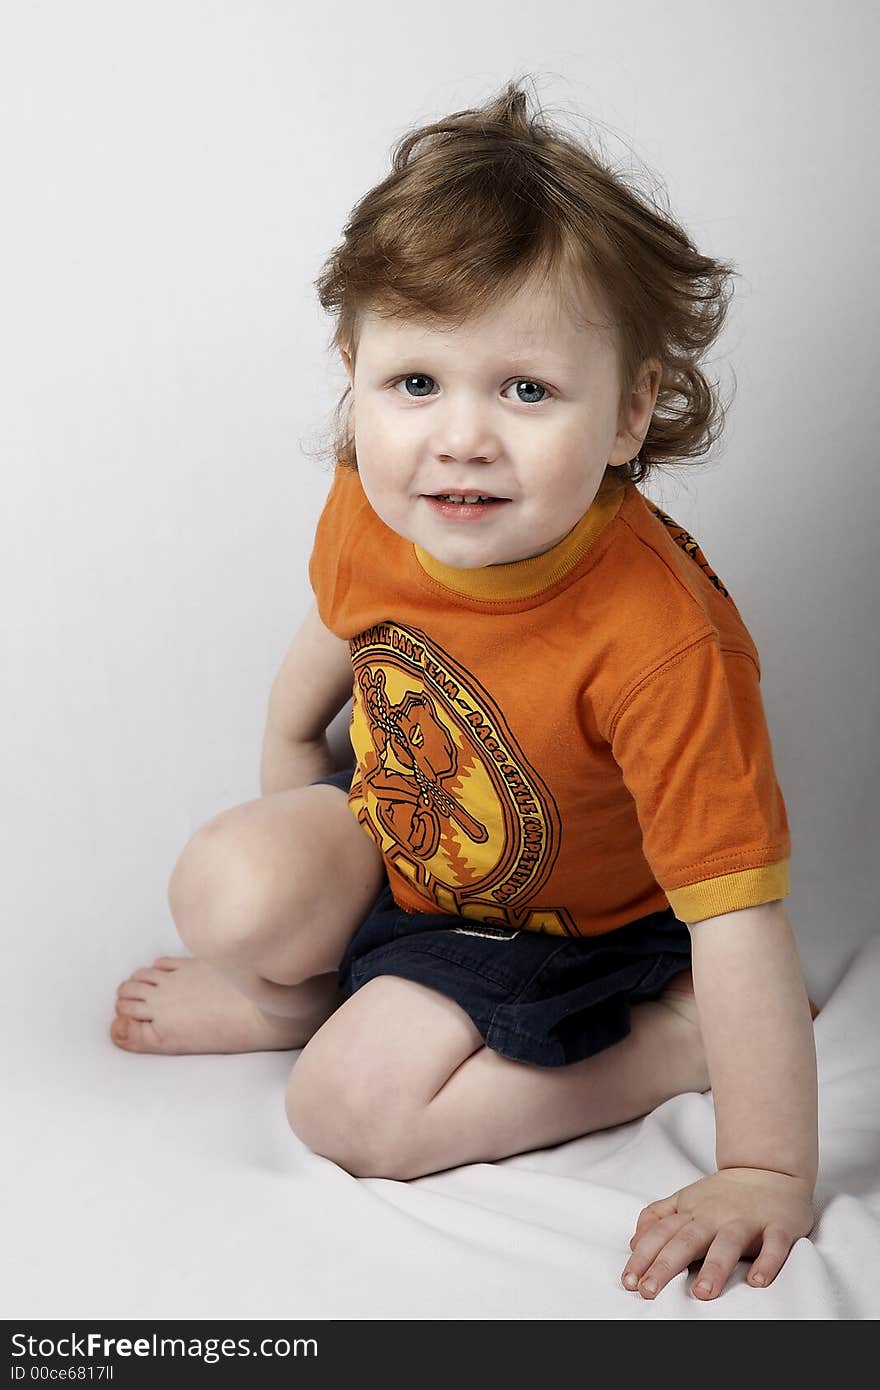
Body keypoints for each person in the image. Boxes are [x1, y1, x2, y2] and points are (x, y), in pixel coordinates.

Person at [110, 77, 819, 1303]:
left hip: (572, 923)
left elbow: (736, 915)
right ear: (355, 371)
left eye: (527, 389)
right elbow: (316, 681)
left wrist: (763, 1165)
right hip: (417, 845)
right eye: (417, 382)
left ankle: (665, 1047)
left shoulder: (658, 641)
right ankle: (322, 995)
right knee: (224, 887)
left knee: (348, 1112)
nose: (461, 438)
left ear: (628, 409)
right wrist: (309, 860)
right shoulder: (379, 499)